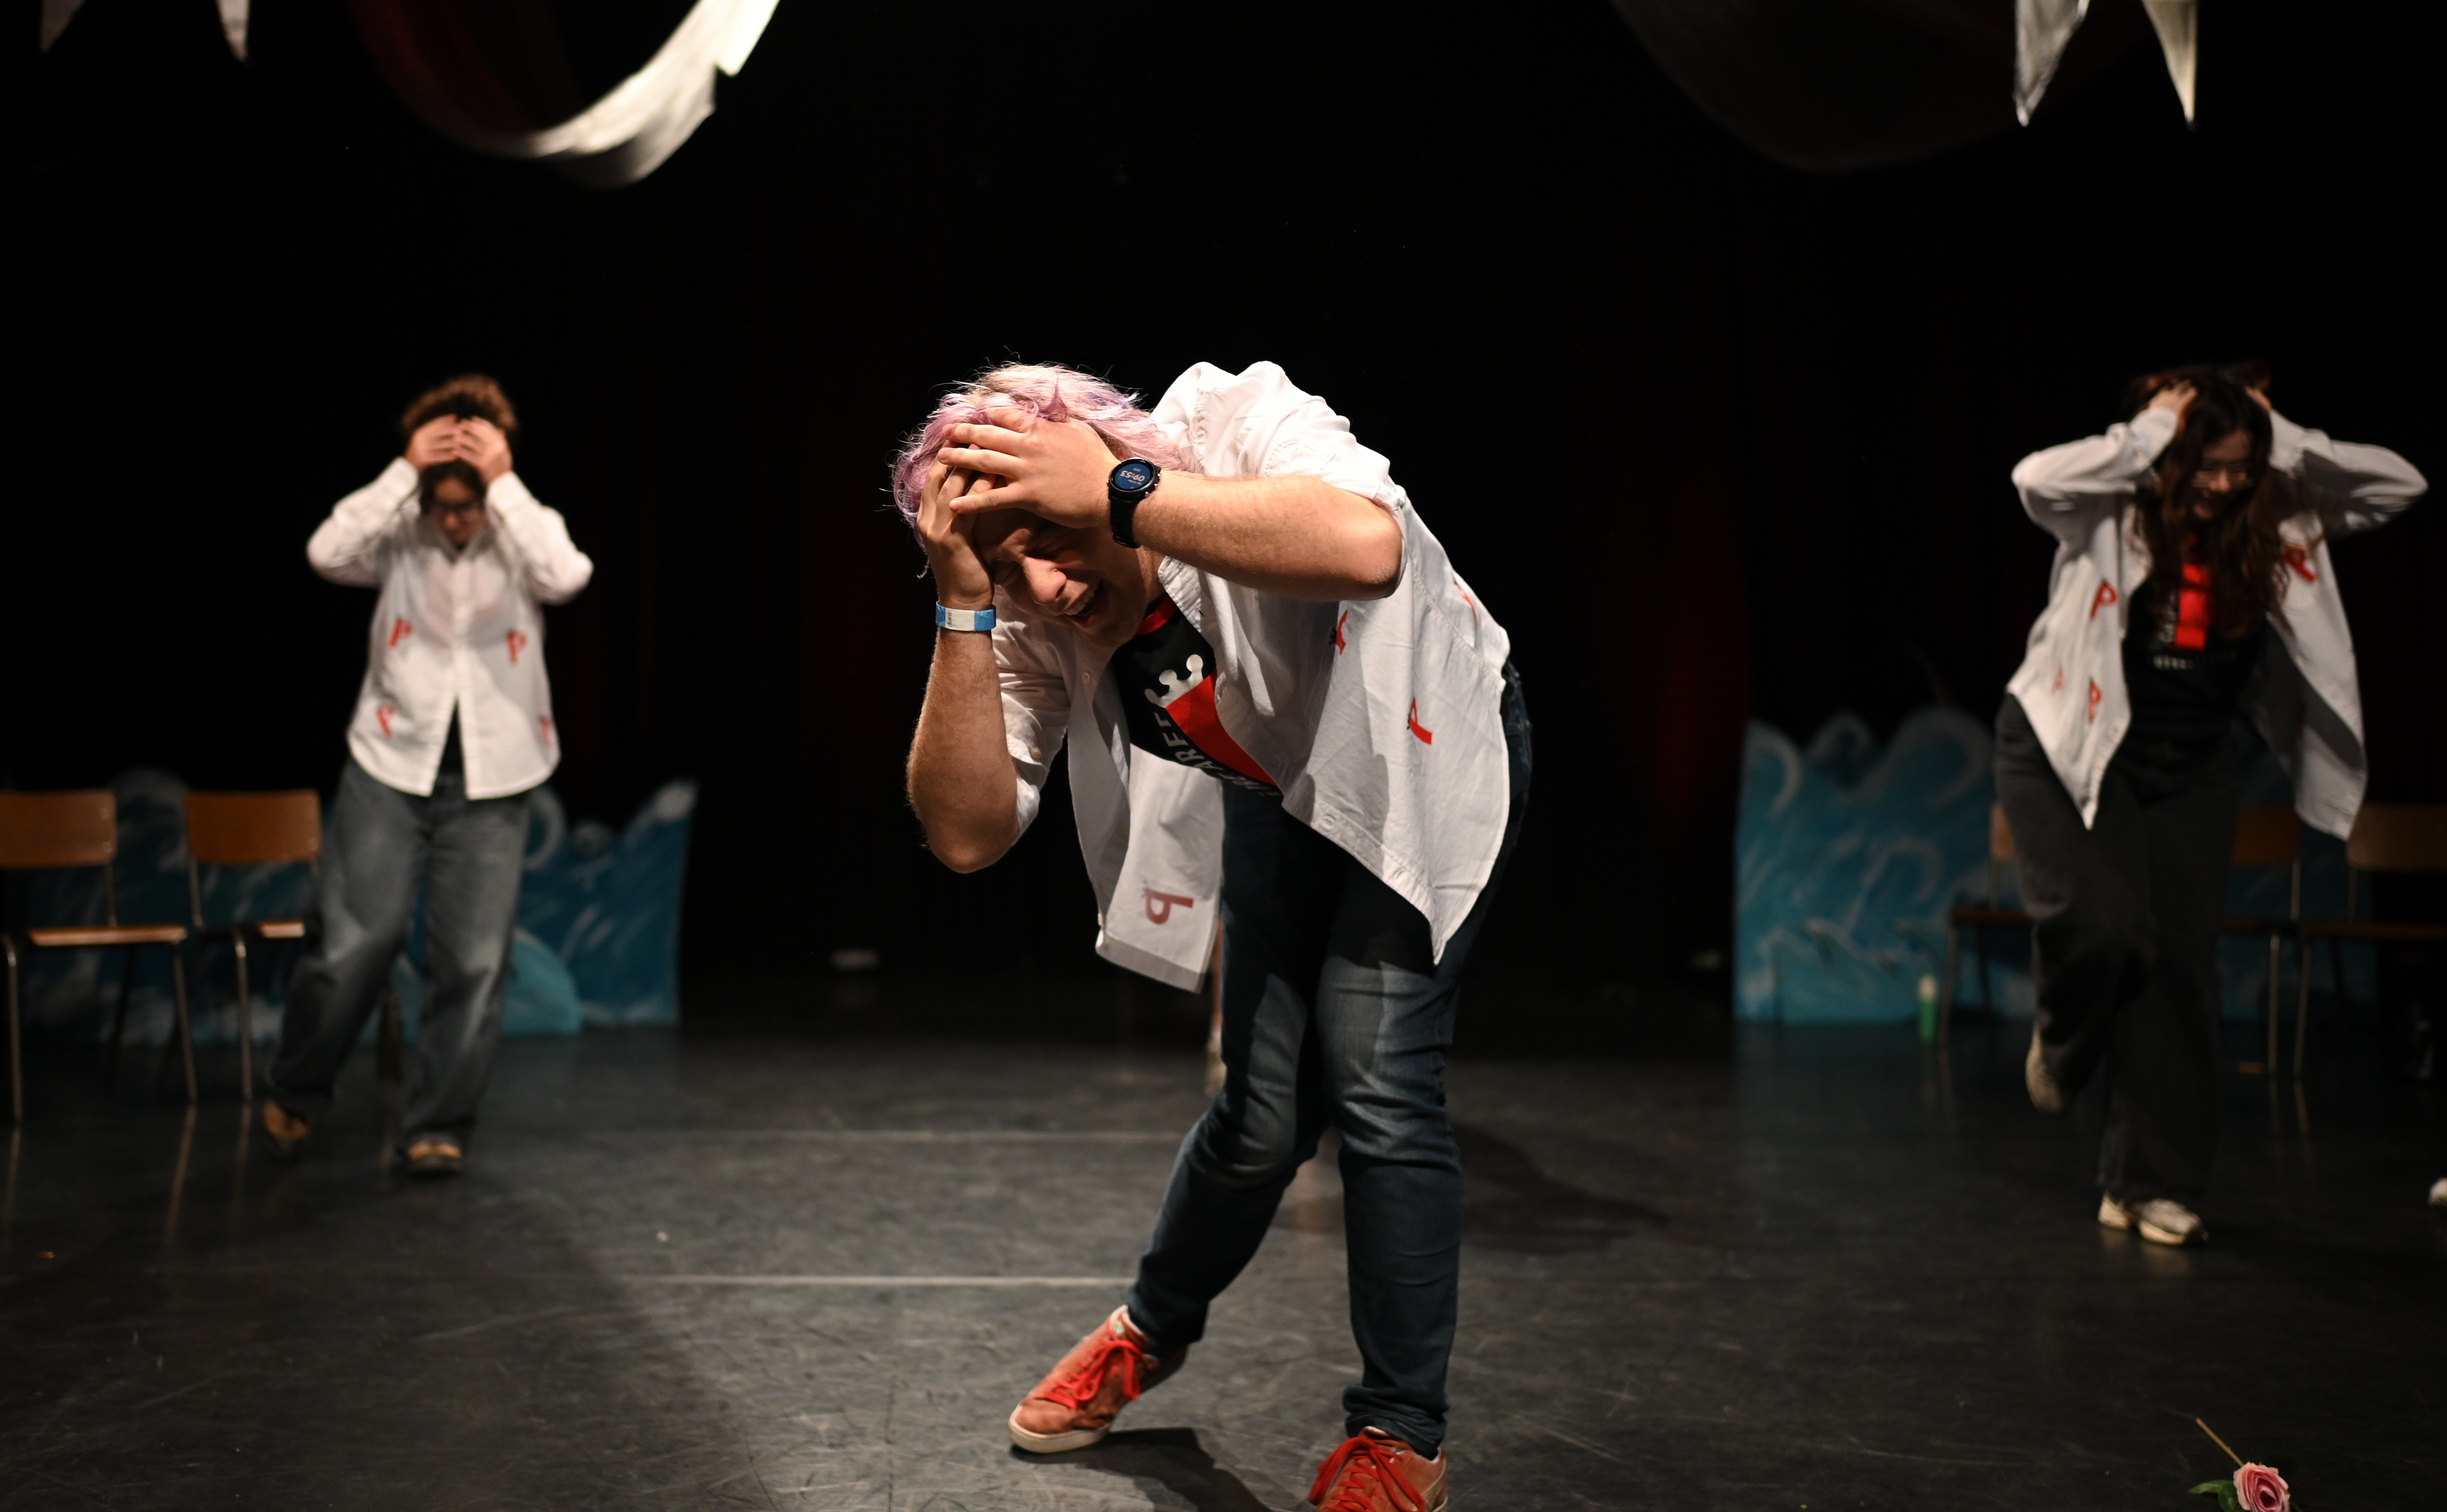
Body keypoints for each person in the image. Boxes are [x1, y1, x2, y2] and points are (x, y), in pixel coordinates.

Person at [898, 361, 1527, 1511]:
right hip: (1284, 786)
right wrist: (961, 600)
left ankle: (1399, 1435)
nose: (1047, 586)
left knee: (1375, 1075)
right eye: (1004, 565)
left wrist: (1117, 494)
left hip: (1418, 748)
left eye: (1051, 539)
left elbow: (1367, 545)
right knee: (1262, 1111)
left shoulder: (1231, 422)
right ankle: (1147, 1328)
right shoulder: (1026, 609)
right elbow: (966, 833)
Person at [1997, 363, 2424, 1245]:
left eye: (2239, 468)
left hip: (2191, 763)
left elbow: (2398, 484)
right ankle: (2064, 1047)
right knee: (2101, 925)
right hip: (2068, 744)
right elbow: (2034, 477)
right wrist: (2154, 432)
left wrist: (2276, 435)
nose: (2223, 486)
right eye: (2207, 466)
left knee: (2179, 969)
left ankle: (2147, 1183)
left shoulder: (2278, 516)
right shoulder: (2108, 505)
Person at [262, 375, 593, 1177]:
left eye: (465, 506)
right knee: (356, 942)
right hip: (390, 764)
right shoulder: (399, 533)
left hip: (493, 778)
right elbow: (325, 552)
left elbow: (568, 575)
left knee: (473, 962)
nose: (452, 520)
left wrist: (503, 484)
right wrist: (404, 470)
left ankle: (437, 1126)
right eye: (439, 505)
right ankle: (299, 1085)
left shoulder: (518, 531)